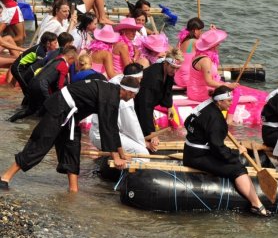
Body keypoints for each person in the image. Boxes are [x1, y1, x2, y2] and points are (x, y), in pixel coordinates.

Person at [0, 76, 140, 192]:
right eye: (134, 94)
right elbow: (107, 128)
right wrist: (116, 157)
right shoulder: (110, 97)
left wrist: (122, 154)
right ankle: (4, 178)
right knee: (40, 144)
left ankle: (73, 191)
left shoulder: (112, 93)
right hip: (59, 108)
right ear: (128, 91)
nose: (133, 97)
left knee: (72, 149)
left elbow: (112, 127)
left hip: (70, 116)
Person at [183, 85, 271, 216]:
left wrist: (204, 135)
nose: (231, 104)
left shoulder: (205, 105)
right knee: (238, 168)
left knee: (232, 158)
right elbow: (218, 148)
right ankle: (256, 205)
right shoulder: (216, 120)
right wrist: (235, 154)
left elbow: (187, 122)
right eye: (229, 101)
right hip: (198, 156)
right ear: (219, 101)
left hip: (190, 149)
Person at [90, 63, 159, 155]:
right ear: (133, 79)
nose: (140, 82)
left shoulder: (116, 80)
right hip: (102, 135)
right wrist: (144, 144)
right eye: (140, 79)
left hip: (100, 132)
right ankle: (123, 167)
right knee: (143, 153)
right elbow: (131, 126)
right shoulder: (126, 96)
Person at [8, 45, 77, 122]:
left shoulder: (55, 59)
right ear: (71, 58)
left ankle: (10, 120)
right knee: (50, 108)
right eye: (73, 62)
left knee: (30, 110)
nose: (72, 64)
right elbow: (59, 85)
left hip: (32, 83)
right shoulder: (64, 66)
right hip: (41, 86)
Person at [187, 29, 240, 124]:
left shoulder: (198, 56)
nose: (219, 45)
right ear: (213, 46)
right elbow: (208, 81)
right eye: (217, 44)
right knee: (236, 91)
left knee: (227, 85)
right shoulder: (206, 61)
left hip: (194, 90)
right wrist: (228, 86)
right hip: (200, 92)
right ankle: (229, 120)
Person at [134, 48, 184, 139]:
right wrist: (151, 133)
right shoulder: (153, 77)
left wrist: (169, 107)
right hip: (137, 101)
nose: (174, 71)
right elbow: (146, 107)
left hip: (148, 100)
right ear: (166, 63)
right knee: (145, 129)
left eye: (177, 69)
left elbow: (168, 88)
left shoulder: (168, 71)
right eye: (173, 67)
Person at [10, 32, 58, 102]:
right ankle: (24, 108)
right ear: (48, 43)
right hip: (18, 69)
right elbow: (37, 69)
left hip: (25, 68)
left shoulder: (43, 48)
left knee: (29, 90)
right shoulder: (40, 52)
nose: (56, 46)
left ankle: (26, 106)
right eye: (55, 43)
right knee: (28, 89)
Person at [174, 17, 204, 87]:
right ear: (195, 31)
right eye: (201, 30)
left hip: (177, 78)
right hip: (187, 79)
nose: (201, 33)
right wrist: (213, 32)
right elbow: (209, 46)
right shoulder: (195, 42)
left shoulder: (181, 41)